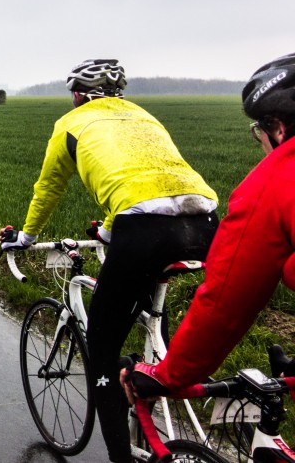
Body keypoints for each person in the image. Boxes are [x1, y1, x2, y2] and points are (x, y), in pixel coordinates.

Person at [0, 58, 219, 463]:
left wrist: (25, 238)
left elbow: (48, 187)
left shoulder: (71, 124)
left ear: (79, 95)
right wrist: (107, 232)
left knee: (101, 350)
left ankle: (120, 453)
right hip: (205, 220)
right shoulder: (143, 116)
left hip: (144, 228)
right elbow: (151, 177)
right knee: (149, 302)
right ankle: (151, 369)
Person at [125, 53, 295, 400]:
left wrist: (167, 375)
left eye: (258, 131)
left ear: (278, 127)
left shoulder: (275, 180)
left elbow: (226, 301)